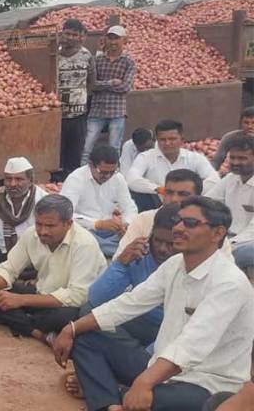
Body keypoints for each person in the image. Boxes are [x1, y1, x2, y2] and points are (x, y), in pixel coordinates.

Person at [53, 197, 254, 411]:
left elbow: (192, 344)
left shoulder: (229, 283)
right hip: (159, 369)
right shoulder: (175, 264)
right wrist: (71, 328)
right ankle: (111, 405)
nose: (178, 228)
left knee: (148, 400)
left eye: (191, 223)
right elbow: (129, 303)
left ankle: (115, 396)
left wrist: (144, 382)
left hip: (205, 383)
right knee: (85, 338)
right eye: (178, 221)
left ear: (218, 233)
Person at [0, 194, 105, 345]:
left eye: (50, 226)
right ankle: (39, 333)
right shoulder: (31, 234)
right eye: (39, 224)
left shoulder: (85, 245)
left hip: (70, 306)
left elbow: (77, 296)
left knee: (64, 317)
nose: (42, 231)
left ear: (68, 224)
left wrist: (20, 301)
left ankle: (15, 320)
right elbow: (10, 268)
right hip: (41, 295)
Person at [88, 204, 180, 348]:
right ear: (151, 235)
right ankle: (133, 356)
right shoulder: (141, 252)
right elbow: (96, 299)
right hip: (137, 318)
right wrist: (121, 264)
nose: (162, 249)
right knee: (88, 313)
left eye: (171, 244)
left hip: (169, 331)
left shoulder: (188, 264)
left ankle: (136, 359)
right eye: (158, 240)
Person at [0, 157, 49, 281]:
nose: (12, 184)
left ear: (30, 180)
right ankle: (5, 279)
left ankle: (1, 279)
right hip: (4, 255)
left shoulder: (43, 200)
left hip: (33, 258)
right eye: (8, 179)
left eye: (19, 179)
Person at [60, 145, 139, 257]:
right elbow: (65, 214)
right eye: (103, 172)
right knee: (83, 241)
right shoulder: (76, 179)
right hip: (86, 230)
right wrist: (97, 224)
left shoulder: (118, 178)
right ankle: (118, 250)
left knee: (138, 235)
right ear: (91, 165)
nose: (107, 176)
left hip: (112, 232)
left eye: (112, 172)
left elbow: (130, 207)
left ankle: (116, 249)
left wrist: (125, 225)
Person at [127, 119, 218, 211]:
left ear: (182, 140)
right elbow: (131, 179)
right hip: (157, 207)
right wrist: (159, 189)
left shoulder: (195, 158)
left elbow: (214, 179)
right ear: (157, 141)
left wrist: (191, 194)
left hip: (189, 207)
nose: (167, 143)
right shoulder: (145, 157)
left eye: (172, 139)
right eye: (162, 140)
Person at [116, 169, 205, 257]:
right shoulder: (144, 219)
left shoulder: (204, 226)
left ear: (197, 199)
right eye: (169, 193)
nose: (174, 199)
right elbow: (119, 259)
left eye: (183, 194)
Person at [81, 25, 136, 165]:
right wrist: (111, 83)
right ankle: (82, 173)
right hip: (96, 111)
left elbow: (125, 87)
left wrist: (102, 85)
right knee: (87, 147)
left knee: (114, 148)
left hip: (117, 112)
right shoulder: (97, 60)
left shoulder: (128, 61)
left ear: (125, 40)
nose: (113, 42)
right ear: (105, 40)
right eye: (110, 38)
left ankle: (113, 175)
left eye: (116, 38)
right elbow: (92, 85)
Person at [206, 134, 254, 273]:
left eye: (242, 158)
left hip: (247, 242)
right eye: (232, 157)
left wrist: (226, 246)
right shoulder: (230, 179)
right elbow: (208, 203)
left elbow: (252, 231)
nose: (235, 162)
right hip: (228, 238)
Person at [57, 18, 94, 179]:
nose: (70, 37)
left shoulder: (86, 55)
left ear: (80, 37)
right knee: (57, 153)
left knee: (75, 153)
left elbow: (92, 81)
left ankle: (71, 180)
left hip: (78, 114)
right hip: (56, 115)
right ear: (61, 34)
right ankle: (55, 183)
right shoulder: (53, 53)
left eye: (74, 34)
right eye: (67, 33)